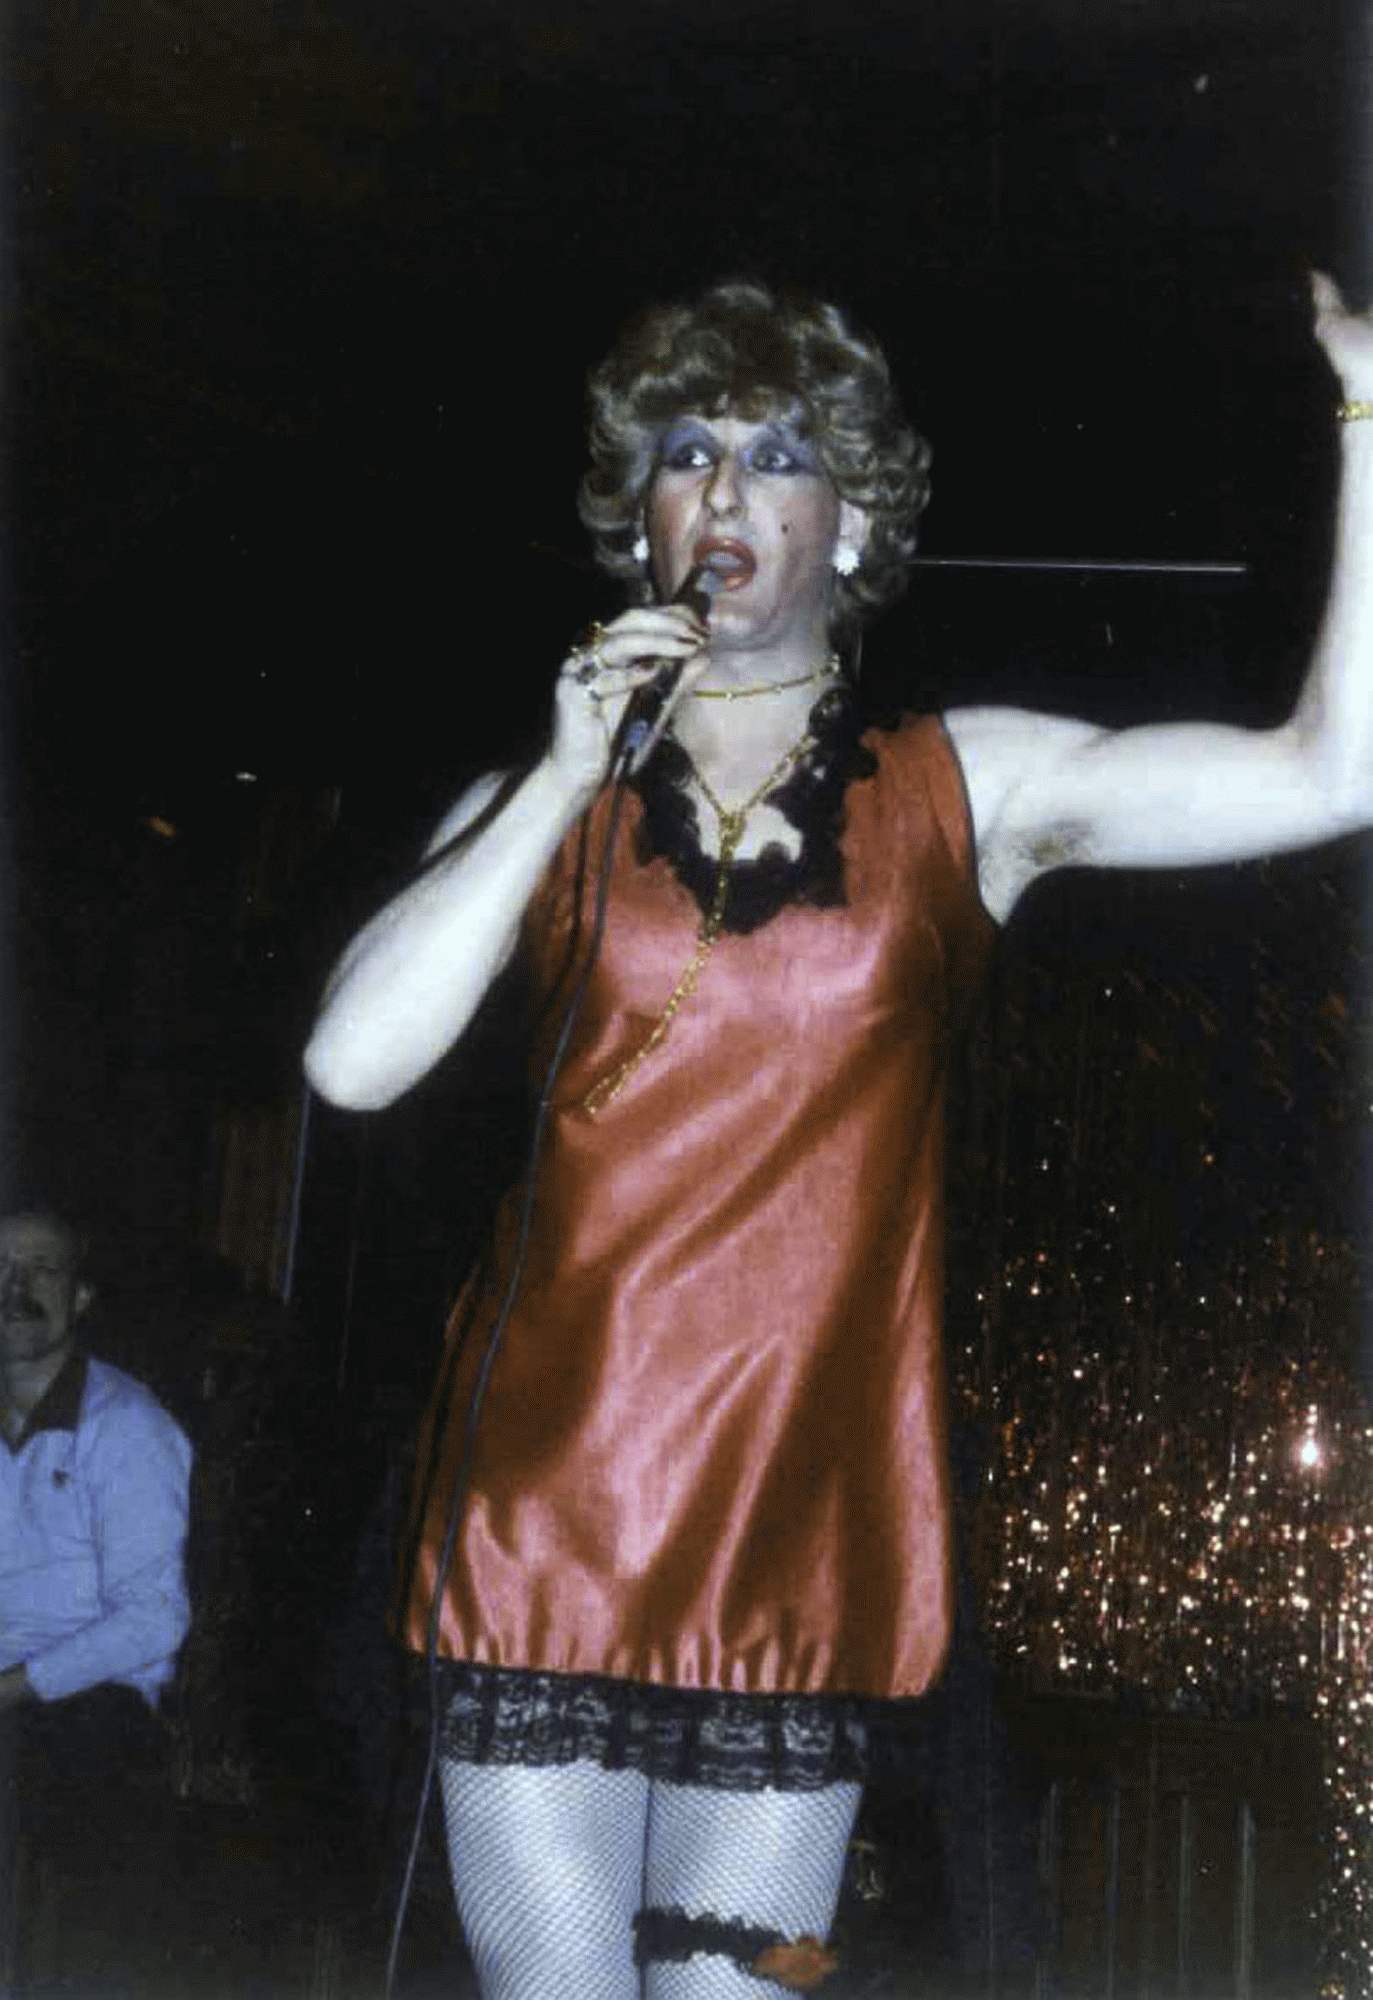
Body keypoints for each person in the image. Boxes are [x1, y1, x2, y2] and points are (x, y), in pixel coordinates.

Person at [304, 275, 1373, 1997]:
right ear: (638, 522)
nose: (722, 488)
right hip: (550, 1510)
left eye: (777, 454)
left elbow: (1332, 771)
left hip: (797, 1520)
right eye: (685, 453)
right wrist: (559, 778)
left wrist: (1370, 419)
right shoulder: (547, 799)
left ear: (853, 521)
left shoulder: (968, 784)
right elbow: (352, 1065)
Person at [0, 1209, 193, 1990]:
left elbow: (154, 1619)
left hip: (86, 1697)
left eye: (40, 1270)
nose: (14, 1288)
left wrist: (9, 1690)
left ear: (80, 1297)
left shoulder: (126, 1426)